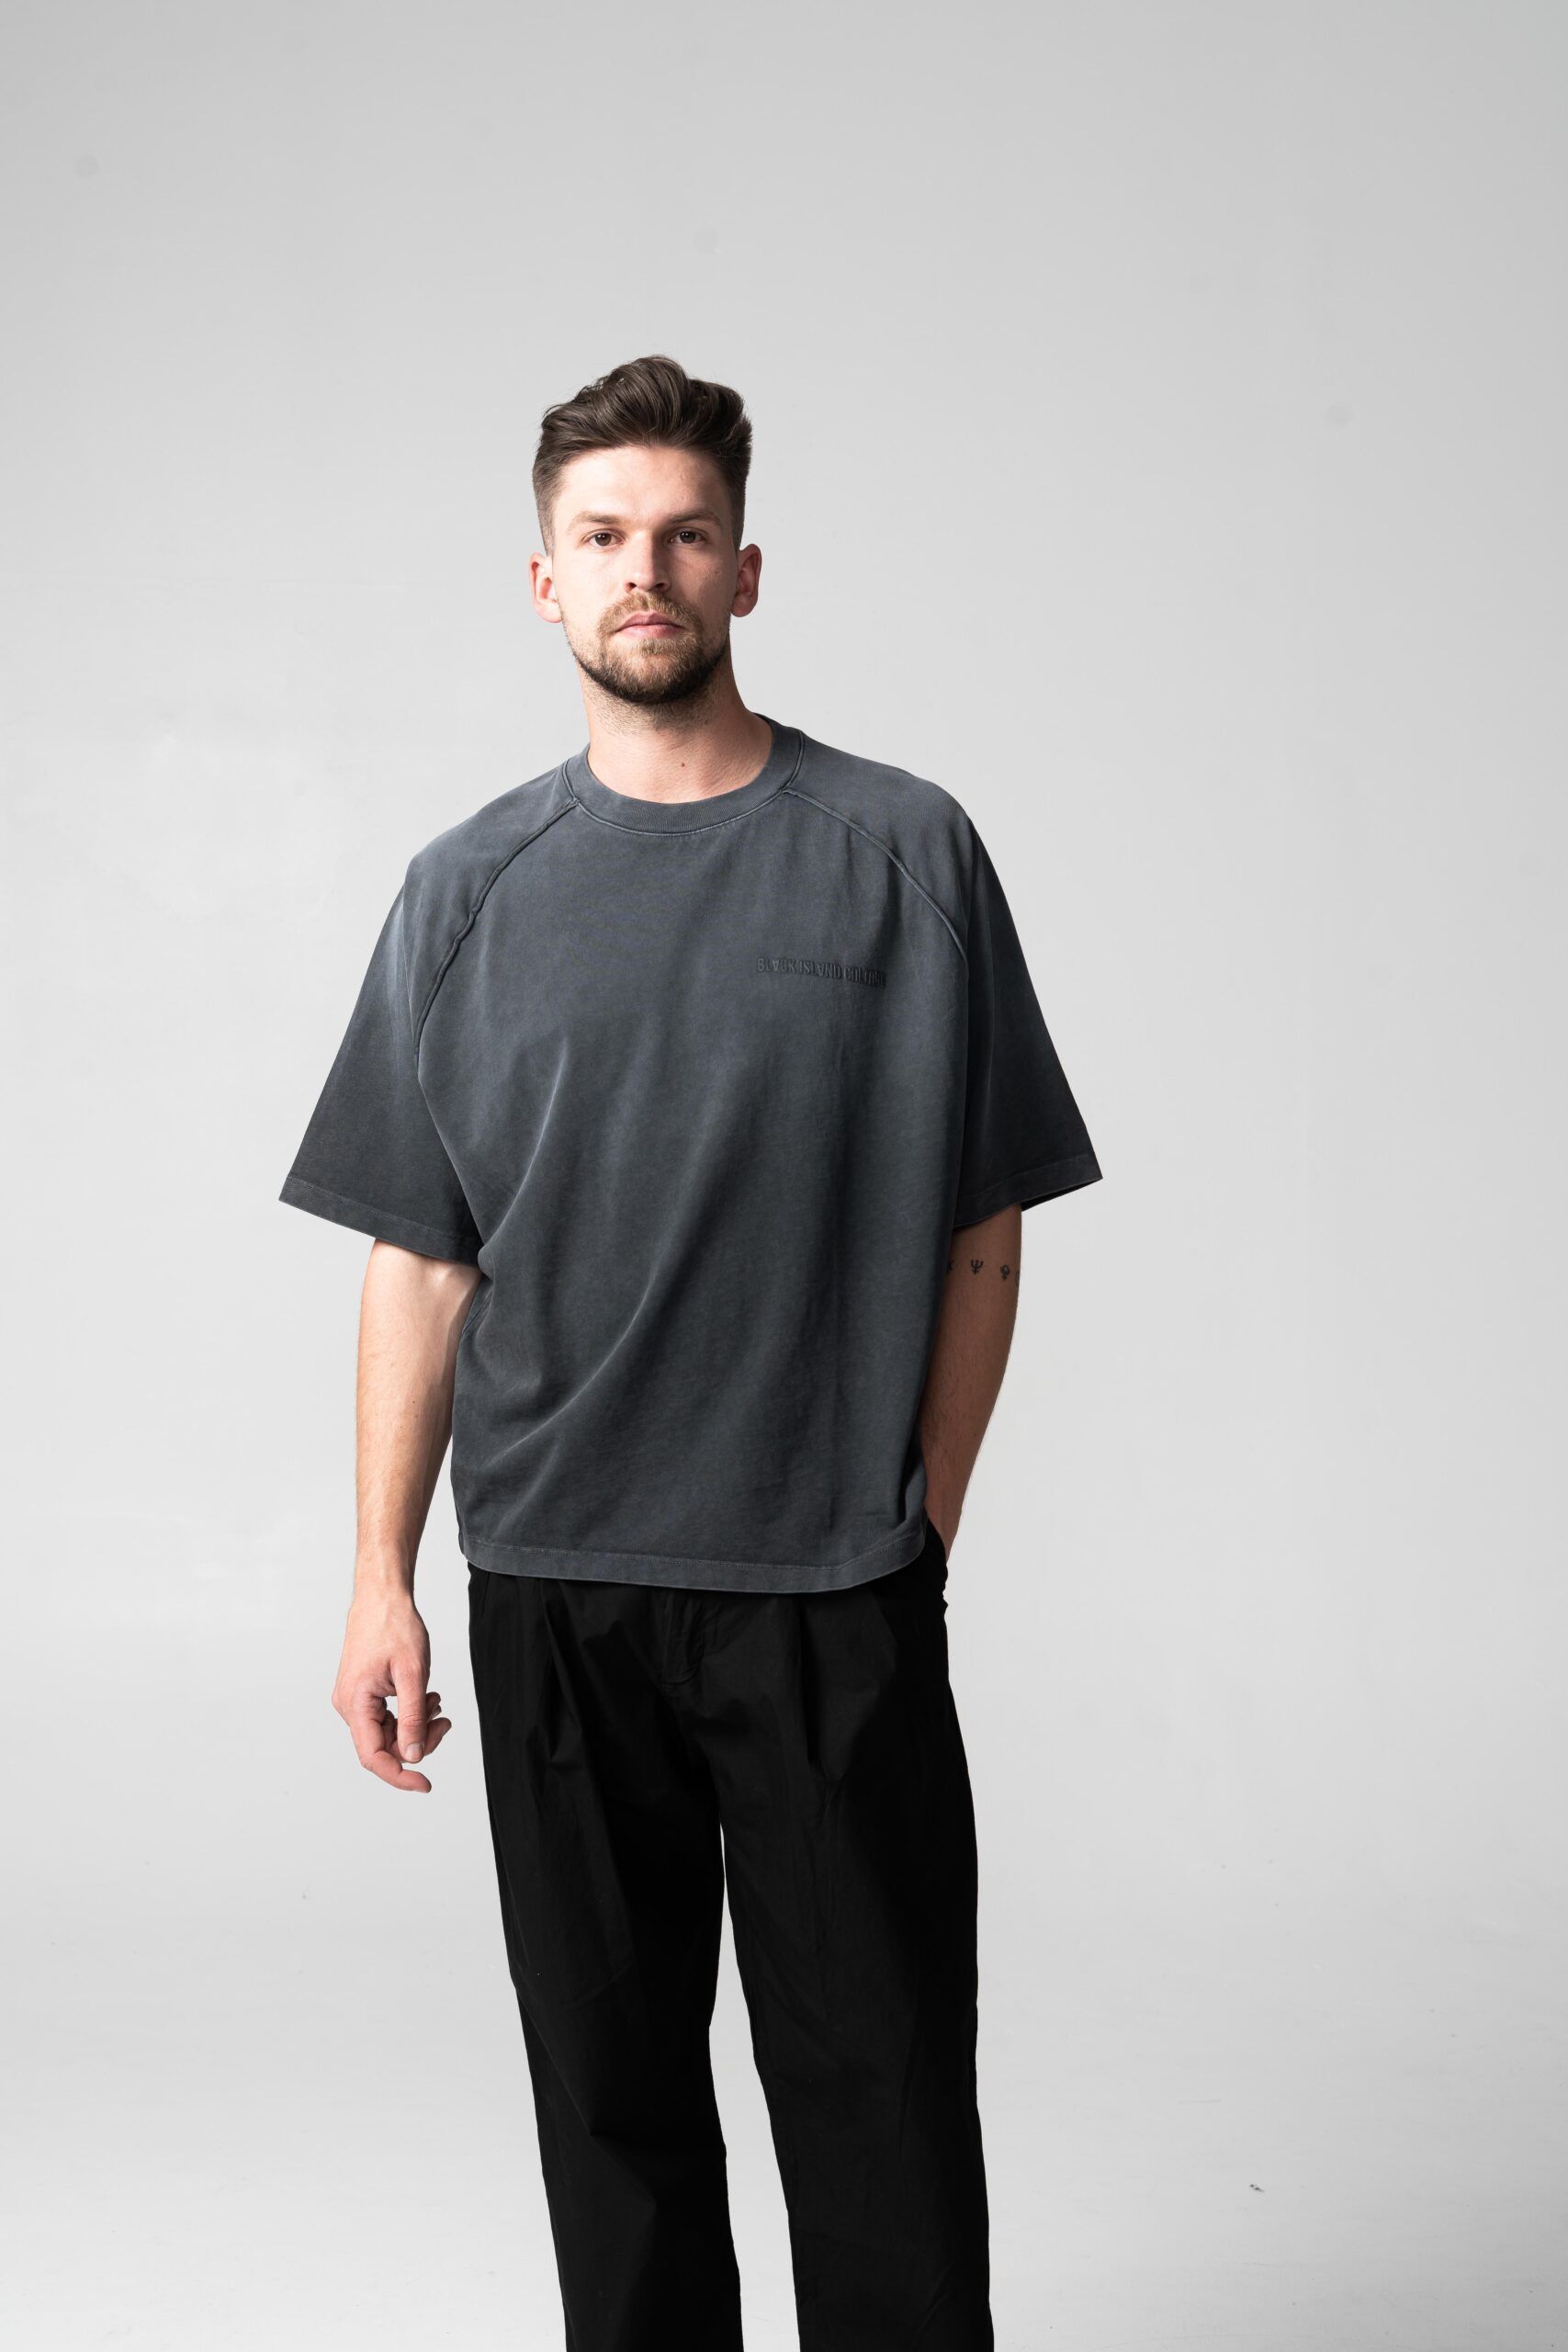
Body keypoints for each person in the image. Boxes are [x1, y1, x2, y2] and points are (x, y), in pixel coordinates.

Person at [278, 352, 1102, 2352]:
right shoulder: (463, 892)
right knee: (613, 2108)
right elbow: (421, 1257)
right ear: (544, 581)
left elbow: (982, 1229)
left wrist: (919, 1511)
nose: (641, 569)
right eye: (601, 537)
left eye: (681, 534)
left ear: (743, 569)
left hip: (827, 1587)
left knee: (881, 2102)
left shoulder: (902, 852)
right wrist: (381, 1575)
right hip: (553, 1583)